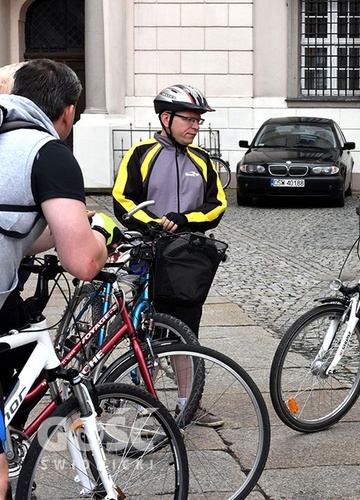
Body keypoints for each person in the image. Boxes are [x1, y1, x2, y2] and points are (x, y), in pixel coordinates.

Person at [0, 58, 117, 499]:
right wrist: (99, 234)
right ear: (68, 111)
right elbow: (85, 264)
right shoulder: (47, 154)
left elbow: (17, 233)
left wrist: (67, 227)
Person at [112, 83, 227, 427]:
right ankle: (145, 401)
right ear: (166, 118)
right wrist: (152, 224)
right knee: (149, 331)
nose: (195, 126)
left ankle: (188, 404)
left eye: (198, 121)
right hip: (149, 253)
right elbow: (122, 199)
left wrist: (185, 220)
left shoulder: (202, 160)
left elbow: (217, 205)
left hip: (187, 258)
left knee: (187, 332)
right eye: (189, 119)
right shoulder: (141, 153)